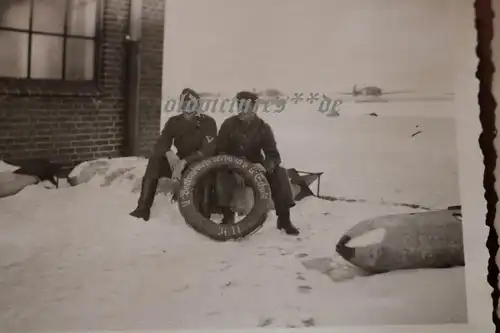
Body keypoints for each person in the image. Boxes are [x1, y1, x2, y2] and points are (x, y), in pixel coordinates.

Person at [215, 91, 299, 235]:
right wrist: (235, 166)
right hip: (232, 167)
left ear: (254, 107)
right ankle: (228, 217)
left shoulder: (263, 128)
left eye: (247, 105)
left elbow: (273, 155)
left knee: (280, 173)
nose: (243, 109)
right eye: (240, 104)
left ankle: (284, 219)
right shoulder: (228, 124)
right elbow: (219, 152)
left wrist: (265, 167)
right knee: (222, 176)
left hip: (256, 168)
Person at [130, 88, 217, 221]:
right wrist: (169, 152)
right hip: (179, 163)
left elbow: (208, 150)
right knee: (156, 159)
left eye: (192, 103)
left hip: (200, 164)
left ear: (198, 105)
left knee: (204, 176)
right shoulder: (173, 122)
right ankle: (143, 208)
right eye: (185, 103)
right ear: (181, 105)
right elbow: (160, 143)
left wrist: (185, 161)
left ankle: (202, 216)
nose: (189, 107)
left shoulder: (208, 122)